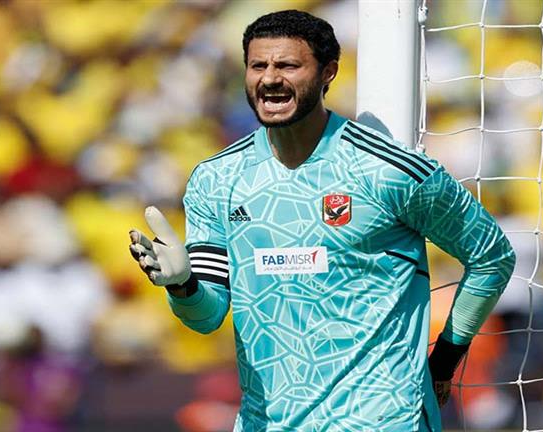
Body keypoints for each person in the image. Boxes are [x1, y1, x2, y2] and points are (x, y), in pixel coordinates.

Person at [129, 10, 515, 432]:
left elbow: (492, 257)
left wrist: (445, 358)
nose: (270, 79)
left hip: (383, 421)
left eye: (287, 65)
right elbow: (206, 317)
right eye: (258, 66)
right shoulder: (217, 179)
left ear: (328, 72)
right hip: (269, 423)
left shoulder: (388, 171)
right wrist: (183, 286)